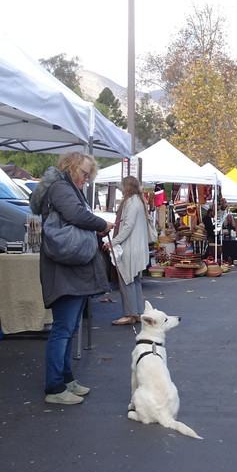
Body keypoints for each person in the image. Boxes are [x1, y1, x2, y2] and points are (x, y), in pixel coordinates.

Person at [36, 152, 113, 405]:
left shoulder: (65, 186)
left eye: (89, 175)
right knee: (63, 329)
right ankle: (55, 387)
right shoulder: (60, 187)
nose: (86, 179)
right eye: (84, 173)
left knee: (69, 329)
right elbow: (76, 216)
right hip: (64, 269)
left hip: (70, 268)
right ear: (71, 167)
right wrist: (102, 223)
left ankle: (66, 379)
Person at [104, 175, 150, 326]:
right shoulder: (139, 201)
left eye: (122, 186)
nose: (121, 188)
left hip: (131, 247)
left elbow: (127, 227)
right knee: (134, 280)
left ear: (127, 186)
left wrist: (113, 242)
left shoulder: (131, 202)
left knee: (127, 279)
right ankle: (137, 312)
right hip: (138, 247)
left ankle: (129, 314)